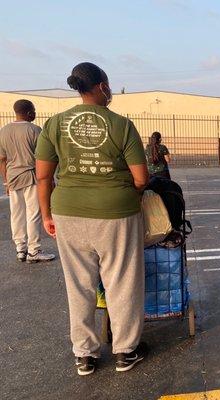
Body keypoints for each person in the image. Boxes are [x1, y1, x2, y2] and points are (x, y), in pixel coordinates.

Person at [35, 62, 149, 376]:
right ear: (101, 86)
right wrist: (128, 192)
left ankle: (85, 355)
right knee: (122, 282)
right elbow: (141, 178)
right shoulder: (121, 125)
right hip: (117, 213)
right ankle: (126, 351)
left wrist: (46, 215)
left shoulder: (55, 124)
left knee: (79, 286)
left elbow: (43, 177)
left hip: (68, 211)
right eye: (108, 85)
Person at [0, 100, 55, 263]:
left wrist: (6, 182)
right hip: (32, 177)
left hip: (13, 178)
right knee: (33, 214)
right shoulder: (35, 130)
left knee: (16, 214)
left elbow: (2, 160)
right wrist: (49, 180)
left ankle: (20, 249)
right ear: (29, 112)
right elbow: (44, 158)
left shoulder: (3, 131)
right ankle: (34, 251)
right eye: (34, 110)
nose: (35, 113)